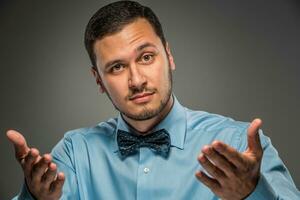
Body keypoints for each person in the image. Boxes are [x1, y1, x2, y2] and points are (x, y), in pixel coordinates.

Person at [7, 1, 300, 199]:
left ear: (169, 56)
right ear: (99, 80)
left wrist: (253, 193)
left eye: (146, 57)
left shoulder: (241, 145)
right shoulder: (73, 152)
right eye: (117, 67)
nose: (137, 80)